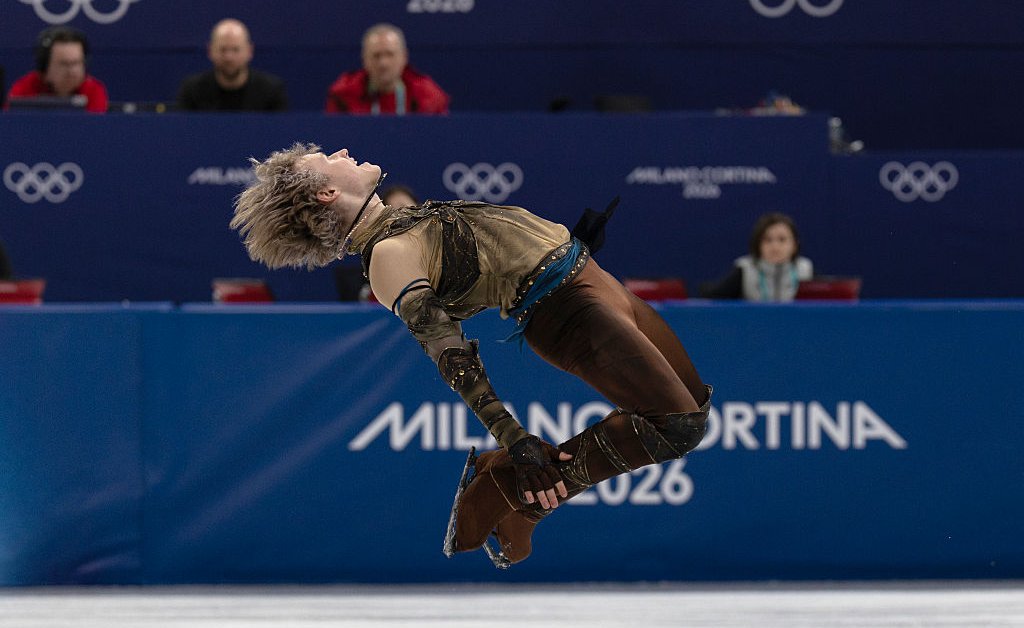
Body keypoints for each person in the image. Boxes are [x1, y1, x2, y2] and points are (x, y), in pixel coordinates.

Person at [230, 143, 711, 567]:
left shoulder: (399, 221)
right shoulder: (386, 256)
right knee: (678, 425)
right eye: (327, 159)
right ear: (327, 193)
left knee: (694, 406)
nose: (340, 154)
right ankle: (516, 494)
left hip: (590, 277)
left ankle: (514, 490)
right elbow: (453, 358)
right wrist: (514, 438)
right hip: (566, 309)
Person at [325, 24, 449, 115]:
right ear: (364, 59)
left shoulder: (428, 95)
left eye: (390, 54)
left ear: (404, 57)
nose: (383, 63)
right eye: (376, 55)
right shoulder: (343, 95)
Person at [177, 19, 288, 112]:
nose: (229, 57)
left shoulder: (271, 91)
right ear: (210, 51)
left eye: (236, 50)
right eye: (222, 49)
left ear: (249, 51)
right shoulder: (192, 90)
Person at [700, 212, 813, 301]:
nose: (775, 246)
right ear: (758, 244)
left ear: (794, 245)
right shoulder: (745, 270)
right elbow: (709, 295)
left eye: (782, 240)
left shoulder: (805, 270)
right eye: (767, 240)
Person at [6, 26, 108, 113]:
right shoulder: (24, 89)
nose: (71, 71)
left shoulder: (94, 90)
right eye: (64, 64)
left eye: (76, 63)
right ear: (44, 67)